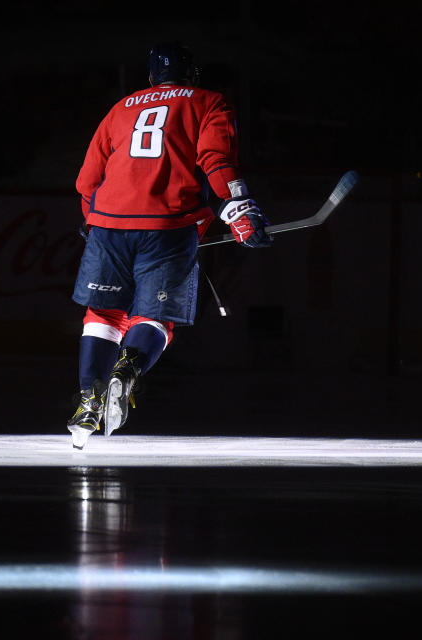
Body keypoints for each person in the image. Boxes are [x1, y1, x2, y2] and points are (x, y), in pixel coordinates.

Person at [67, 42, 272, 449]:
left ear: (149, 78)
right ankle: (128, 368)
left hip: (108, 223)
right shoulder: (209, 102)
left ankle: (89, 399)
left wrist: (95, 222)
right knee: (155, 317)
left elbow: (87, 180)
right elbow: (216, 160)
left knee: (103, 314)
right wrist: (239, 206)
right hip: (168, 225)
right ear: (191, 74)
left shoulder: (122, 107)